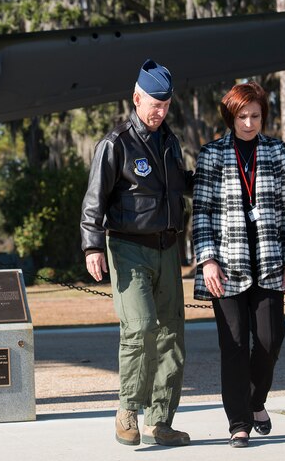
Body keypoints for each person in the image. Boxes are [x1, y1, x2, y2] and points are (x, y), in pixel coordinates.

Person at [80, 59, 192, 447]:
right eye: (153, 103)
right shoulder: (116, 144)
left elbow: (179, 187)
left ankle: (160, 421)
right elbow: (94, 200)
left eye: (165, 104)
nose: (159, 111)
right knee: (140, 328)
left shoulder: (171, 143)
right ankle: (127, 409)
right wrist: (92, 245)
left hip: (168, 249)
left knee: (171, 336)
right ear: (136, 98)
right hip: (128, 248)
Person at [191, 81, 285, 448]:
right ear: (231, 116)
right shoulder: (212, 154)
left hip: (270, 261)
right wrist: (206, 260)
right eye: (243, 116)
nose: (250, 123)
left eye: (255, 116)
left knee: (272, 338)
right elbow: (202, 213)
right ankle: (238, 423)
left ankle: (255, 402)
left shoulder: (276, 151)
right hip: (226, 265)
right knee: (234, 344)